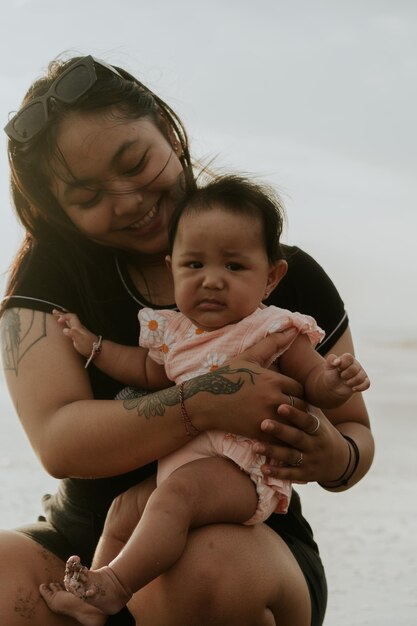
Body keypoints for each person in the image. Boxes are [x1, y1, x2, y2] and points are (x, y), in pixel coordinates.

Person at [0, 53, 374, 626]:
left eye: (135, 161)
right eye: (87, 197)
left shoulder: (282, 280)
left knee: (205, 566)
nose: (125, 200)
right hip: (89, 539)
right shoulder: (51, 280)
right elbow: (59, 441)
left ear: (170, 134)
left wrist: (336, 455)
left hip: (242, 537)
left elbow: (353, 431)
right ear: (59, 211)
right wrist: (206, 400)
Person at [44, 175, 370, 625]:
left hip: (241, 470)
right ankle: (95, 594)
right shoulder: (175, 333)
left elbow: (314, 380)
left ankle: (117, 587)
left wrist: (335, 382)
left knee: (176, 496)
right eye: (194, 265)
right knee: (123, 511)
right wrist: (95, 347)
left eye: (234, 267)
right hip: (182, 467)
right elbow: (145, 370)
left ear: (271, 277)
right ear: (172, 266)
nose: (212, 281)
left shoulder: (273, 328)